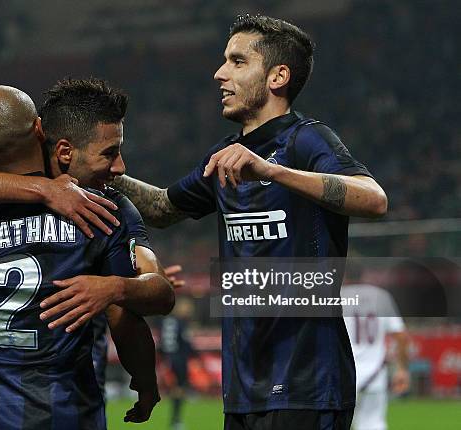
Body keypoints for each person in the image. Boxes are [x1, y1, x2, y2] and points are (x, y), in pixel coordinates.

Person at [110, 14, 388, 430]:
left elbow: (374, 198)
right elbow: (164, 208)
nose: (220, 73)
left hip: (305, 384)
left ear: (277, 76)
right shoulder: (224, 155)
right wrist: (99, 173)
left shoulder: (306, 140)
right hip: (243, 387)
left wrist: (274, 171)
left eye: (238, 62)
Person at [0, 84, 165, 429]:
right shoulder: (99, 208)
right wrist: (145, 381)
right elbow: (125, 318)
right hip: (65, 414)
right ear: (39, 130)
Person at [342, 284, 410, 430]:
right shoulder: (381, 296)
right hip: (374, 374)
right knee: (372, 424)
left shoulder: (335, 296)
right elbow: (401, 336)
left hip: (344, 374)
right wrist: (402, 369)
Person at [159, 296, 196, 430]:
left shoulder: (166, 321)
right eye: (187, 308)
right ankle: (176, 420)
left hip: (168, 358)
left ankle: (175, 419)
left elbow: (161, 342)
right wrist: (195, 355)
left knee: (175, 389)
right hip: (179, 358)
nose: (189, 311)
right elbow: (186, 342)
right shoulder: (181, 323)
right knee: (179, 389)